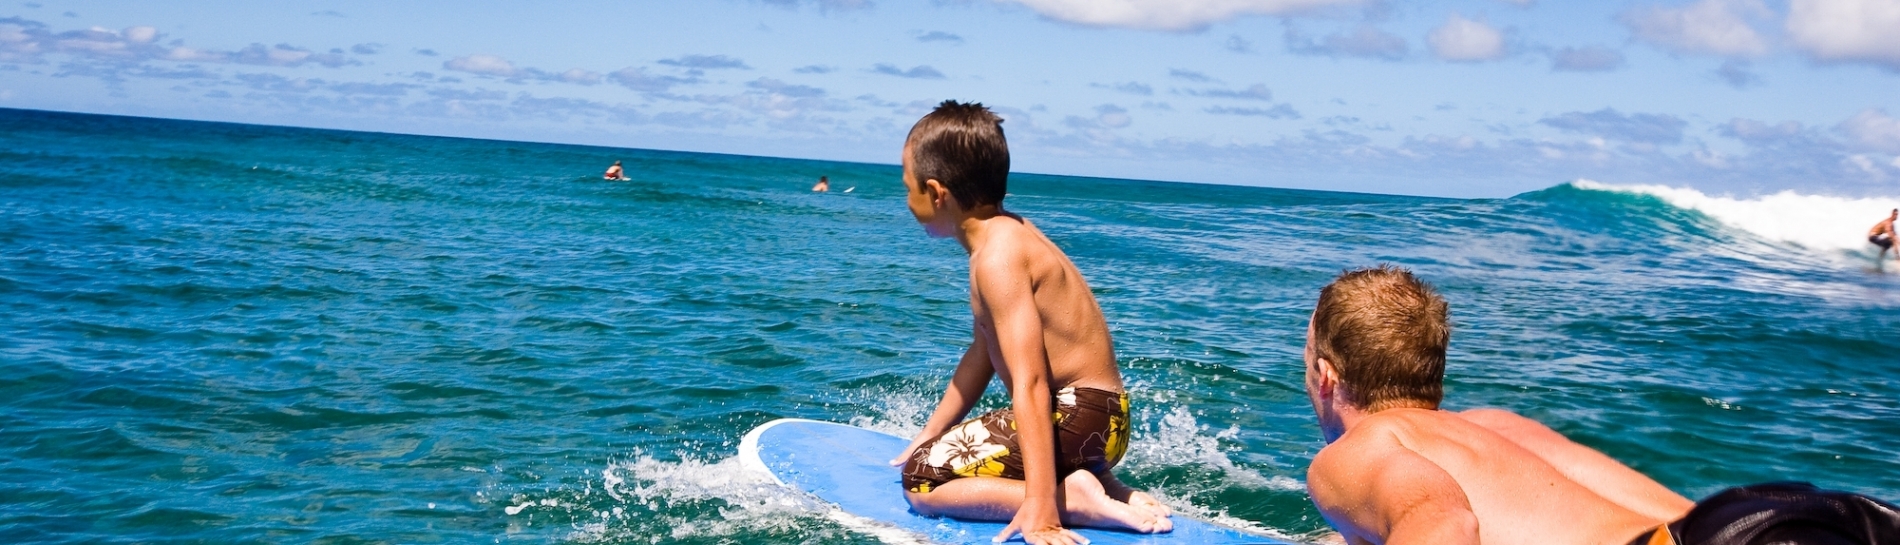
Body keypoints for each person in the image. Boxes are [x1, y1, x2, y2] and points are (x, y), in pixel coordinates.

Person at [1299, 265, 1900, 545]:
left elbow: (1446, 525)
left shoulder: (1355, 454)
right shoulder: (1496, 430)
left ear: (1327, 377)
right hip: (1757, 517)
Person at [887, 100, 1172, 545]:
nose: (905, 200)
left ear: (936, 192)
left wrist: (1039, 506)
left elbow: (1032, 381)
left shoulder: (996, 258)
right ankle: (1101, 483)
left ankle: (1068, 498)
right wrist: (930, 432)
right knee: (928, 453)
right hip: (1104, 424)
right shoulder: (1012, 231)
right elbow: (982, 354)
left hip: (1074, 417)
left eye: (906, 188)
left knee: (921, 481)